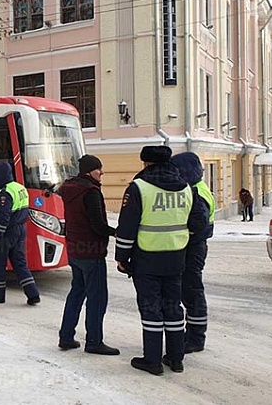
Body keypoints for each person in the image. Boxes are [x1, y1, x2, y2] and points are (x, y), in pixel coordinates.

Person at [115, 146, 208, 376]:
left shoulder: (139, 187)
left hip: (147, 258)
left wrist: (121, 256)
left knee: (151, 309)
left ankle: (152, 360)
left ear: (146, 164)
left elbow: (127, 227)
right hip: (177, 257)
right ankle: (176, 359)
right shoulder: (186, 187)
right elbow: (198, 221)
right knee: (173, 306)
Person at [56, 155, 119, 355]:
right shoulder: (90, 192)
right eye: (98, 169)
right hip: (92, 251)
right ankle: (94, 341)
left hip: (75, 250)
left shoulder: (70, 189)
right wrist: (116, 232)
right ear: (89, 171)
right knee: (97, 298)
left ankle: (66, 337)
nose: (102, 172)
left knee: (76, 293)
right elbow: (98, 225)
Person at [171, 152, 215, 354]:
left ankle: (196, 337)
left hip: (193, 247)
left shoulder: (196, 191)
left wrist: (180, 231)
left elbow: (198, 223)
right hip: (195, 246)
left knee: (192, 291)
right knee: (190, 290)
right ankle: (194, 334)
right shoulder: (198, 187)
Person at [0, 161, 40, 305]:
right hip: (21, 229)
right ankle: (32, 294)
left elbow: (3, 216)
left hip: (8, 232)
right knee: (20, 263)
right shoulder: (20, 188)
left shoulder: (4, 193)